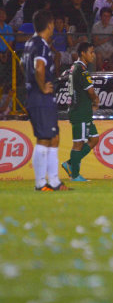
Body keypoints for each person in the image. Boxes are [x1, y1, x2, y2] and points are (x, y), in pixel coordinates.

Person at [21, 10, 69, 191]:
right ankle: (41, 184)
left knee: (53, 137)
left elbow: (21, 64)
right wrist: (40, 86)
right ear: (49, 25)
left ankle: (54, 181)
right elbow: (39, 67)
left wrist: (30, 81)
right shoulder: (40, 44)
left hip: (39, 98)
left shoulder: (29, 44)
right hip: (41, 98)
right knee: (44, 138)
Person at [59, 42, 99, 182]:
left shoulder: (75, 68)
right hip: (80, 111)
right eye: (91, 52)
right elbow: (91, 91)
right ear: (83, 53)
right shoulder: (80, 70)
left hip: (84, 111)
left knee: (94, 139)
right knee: (78, 143)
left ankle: (70, 163)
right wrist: (96, 100)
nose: (93, 55)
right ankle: (75, 175)